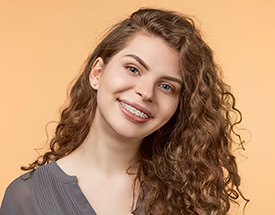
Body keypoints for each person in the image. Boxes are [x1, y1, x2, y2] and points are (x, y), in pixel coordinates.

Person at [0, 8, 248, 215]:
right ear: (97, 73)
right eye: (133, 69)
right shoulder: (27, 198)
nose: (146, 92)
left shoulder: (187, 199)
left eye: (166, 86)